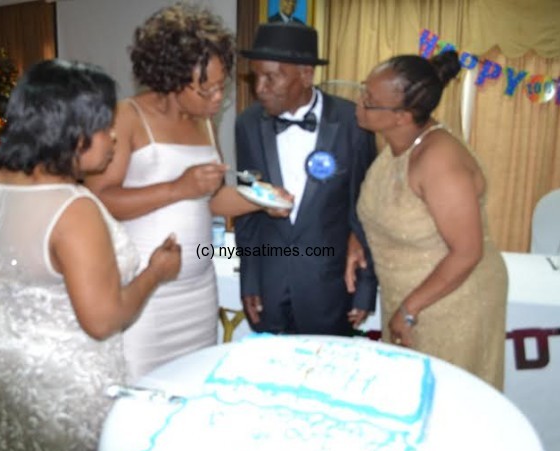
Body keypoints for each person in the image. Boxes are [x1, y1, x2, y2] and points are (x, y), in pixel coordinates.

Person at [0, 59, 181, 451]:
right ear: (72, 134)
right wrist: (156, 271)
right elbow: (102, 320)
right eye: (104, 126)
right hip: (63, 388)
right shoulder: (72, 210)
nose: (115, 136)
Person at [85, 4, 288, 381]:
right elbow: (100, 199)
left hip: (198, 290)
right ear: (170, 77)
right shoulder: (127, 116)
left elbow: (211, 196)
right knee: (141, 394)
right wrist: (178, 188)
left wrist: (260, 200)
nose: (216, 99)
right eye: (205, 88)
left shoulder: (205, 124)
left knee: (192, 386)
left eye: (220, 86)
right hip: (144, 293)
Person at [349, 51, 507, 390]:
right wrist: (357, 241)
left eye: (370, 101)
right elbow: (383, 208)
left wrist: (409, 309)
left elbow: (467, 252)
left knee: (445, 401)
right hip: (406, 293)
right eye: (364, 90)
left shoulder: (439, 161)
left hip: (450, 300)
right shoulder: (395, 144)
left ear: (402, 116)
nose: (359, 103)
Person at [235, 23, 377, 336]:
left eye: (271, 77)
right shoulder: (246, 125)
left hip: (330, 289)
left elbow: (366, 212)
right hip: (269, 286)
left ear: (306, 74)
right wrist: (250, 279)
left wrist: (366, 288)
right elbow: (247, 207)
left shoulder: (353, 124)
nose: (259, 88)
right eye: (255, 75)